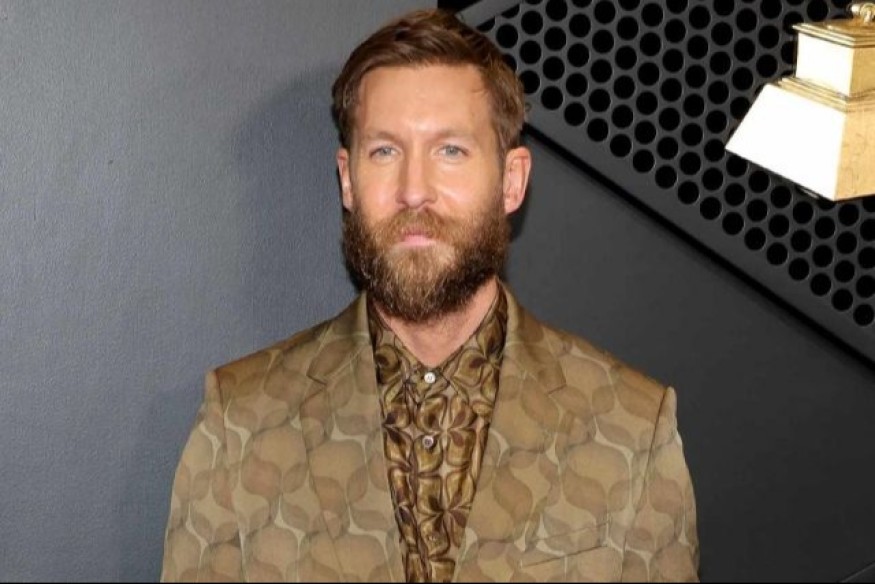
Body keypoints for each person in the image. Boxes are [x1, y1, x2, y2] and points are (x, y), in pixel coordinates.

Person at [160, 8, 699, 583]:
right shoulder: (240, 423)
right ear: (348, 179)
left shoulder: (629, 428)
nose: (414, 190)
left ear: (512, 180)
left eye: (451, 151)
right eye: (385, 151)